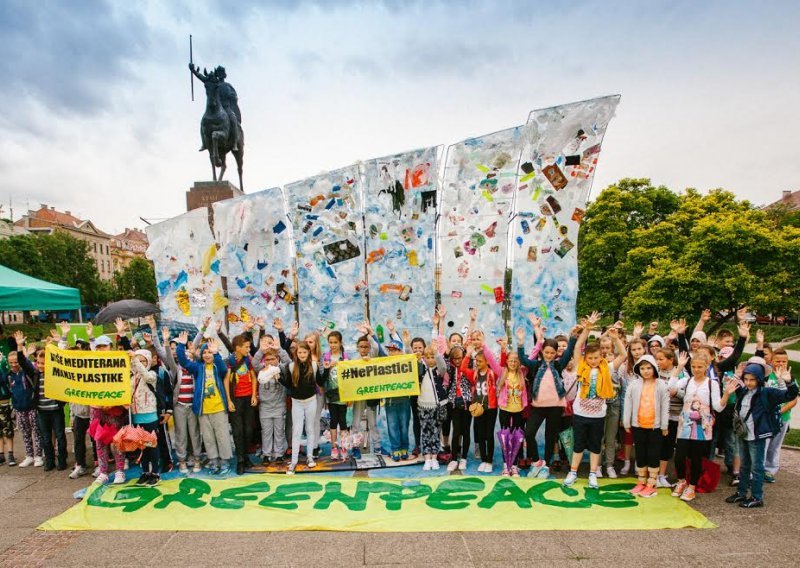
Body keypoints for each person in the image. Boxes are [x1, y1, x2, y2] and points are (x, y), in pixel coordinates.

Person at [564, 313, 627, 489]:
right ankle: (573, 471)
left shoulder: (607, 367)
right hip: (580, 413)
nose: (593, 361)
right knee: (578, 445)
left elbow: (622, 355)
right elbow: (577, 347)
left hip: (598, 415)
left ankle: (593, 473)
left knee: (594, 446)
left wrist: (615, 339)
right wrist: (588, 328)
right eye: (590, 358)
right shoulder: (581, 365)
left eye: (596, 358)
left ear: (601, 357)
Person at [725, 362, 798, 507]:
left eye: (752, 379)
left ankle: (757, 497)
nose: (748, 383)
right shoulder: (743, 390)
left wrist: (788, 382)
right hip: (743, 433)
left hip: (757, 436)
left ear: (759, 379)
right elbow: (728, 385)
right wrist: (737, 375)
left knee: (757, 467)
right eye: (746, 379)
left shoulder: (767, 392)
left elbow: (790, 395)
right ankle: (741, 492)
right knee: (744, 465)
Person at [516, 316, 576, 477]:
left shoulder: (558, 364)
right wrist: (521, 342)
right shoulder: (535, 365)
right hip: (538, 407)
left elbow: (569, 351)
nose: (549, 355)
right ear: (542, 352)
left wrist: (573, 336)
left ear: (556, 353)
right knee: (529, 433)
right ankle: (537, 461)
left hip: (555, 407)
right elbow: (522, 359)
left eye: (552, 352)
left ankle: (546, 465)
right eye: (546, 352)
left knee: (551, 437)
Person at [671, 351, 735, 502]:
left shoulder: (711, 383)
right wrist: (679, 367)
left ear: (706, 366)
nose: (696, 369)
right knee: (679, 456)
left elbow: (718, 407)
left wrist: (726, 394)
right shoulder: (687, 381)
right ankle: (681, 481)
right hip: (685, 423)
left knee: (696, 457)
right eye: (693, 366)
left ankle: (692, 486)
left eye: (700, 366)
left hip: (702, 424)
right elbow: (671, 386)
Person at [175, 333, 233, 475]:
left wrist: (216, 353)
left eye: (209, 352)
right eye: (205, 352)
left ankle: (225, 462)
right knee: (208, 438)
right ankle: (213, 461)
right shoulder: (198, 368)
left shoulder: (217, 366)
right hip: (203, 410)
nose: (207, 355)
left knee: (222, 436)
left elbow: (223, 369)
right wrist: (181, 346)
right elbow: (184, 362)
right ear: (201, 355)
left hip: (219, 408)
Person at [13, 332, 68, 471]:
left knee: (60, 436)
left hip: (56, 409)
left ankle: (62, 460)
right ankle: (49, 461)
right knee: (45, 437)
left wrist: (61, 340)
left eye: (43, 363)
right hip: (42, 410)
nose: (41, 365)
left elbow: (64, 358)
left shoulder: (56, 371)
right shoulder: (35, 373)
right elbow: (23, 363)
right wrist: (19, 346)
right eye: (38, 363)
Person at [623, 354, 670, 497]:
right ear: (638, 369)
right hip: (638, 425)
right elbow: (628, 403)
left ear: (654, 368)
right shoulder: (634, 384)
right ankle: (641, 481)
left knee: (653, 454)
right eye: (642, 368)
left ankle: (652, 483)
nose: (646, 371)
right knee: (640, 454)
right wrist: (626, 422)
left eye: (649, 368)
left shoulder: (662, 385)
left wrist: (664, 425)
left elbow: (665, 405)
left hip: (655, 427)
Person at [279, 342, 328, 474]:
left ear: (308, 353)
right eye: (299, 352)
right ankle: (294, 461)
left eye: (304, 352)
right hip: (297, 403)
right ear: (296, 353)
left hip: (311, 401)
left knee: (310, 429)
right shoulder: (291, 366)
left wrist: (327, 369)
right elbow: (288, 385)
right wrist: (278, 377)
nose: (302, 355)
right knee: (297, 431)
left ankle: (310, 456)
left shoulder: (314, 366)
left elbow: (320, 382)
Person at [225, 334, 258, 475]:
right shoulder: (229, 361)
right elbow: (226, 381)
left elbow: (254, 378)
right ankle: (240, 460)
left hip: (248, 399)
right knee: (237, 431)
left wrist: (254, 394)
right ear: (238, 348)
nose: (249, 349)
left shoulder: (248, 360)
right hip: (236, 400)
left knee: (249, 429)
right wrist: (229, 400)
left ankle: (245, 456)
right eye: (246, 347)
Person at [763, 348, 796, 482]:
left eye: (784, 361)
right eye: (778, 361)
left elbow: (793, 400)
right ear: (771, 361)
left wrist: (779, 411)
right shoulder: (767, 376)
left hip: (782, 418)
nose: (781, 363)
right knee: (763, 444)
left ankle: (770, 470)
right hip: (766, 418)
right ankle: (758, 469)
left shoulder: (790, 377)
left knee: (775, 445)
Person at [130, 349, 161, 486]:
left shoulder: (152, 374)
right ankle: (145, 472)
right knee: (142, 446)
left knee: (151, 445)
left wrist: (135, 360)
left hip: (149, 416)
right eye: (138, 360)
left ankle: (155, 472)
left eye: (143, 360)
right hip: (136, 416)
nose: (139, 364)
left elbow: (147, 376)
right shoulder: (132, 377)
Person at [6, 349, 41, 467]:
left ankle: (38, 455)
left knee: (36, 431)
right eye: (11, 362)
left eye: (15, 362)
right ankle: (29, 455)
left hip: (31, 407)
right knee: (25, 432)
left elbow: (29, 367)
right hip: (19, 408)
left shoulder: (26, 372)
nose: (13, 365)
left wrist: (22, 351)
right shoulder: (9, 375)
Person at [254, 348, 287, 464]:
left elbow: (288, 363)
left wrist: (280, 350)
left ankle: (279, 454)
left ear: (277, 359)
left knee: (279, 431)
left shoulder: (281, 369)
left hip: (279, 405)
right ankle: (266, 454)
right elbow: (254, 363)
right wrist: (261, 351)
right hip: (265, 406)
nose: (270, 362)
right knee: (266, 431)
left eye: (272, 359)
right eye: (267, 359)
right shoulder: (261, 370)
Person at [418, 346, 448, 471]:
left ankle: (434, 457)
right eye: (428, 357)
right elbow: (413, 363)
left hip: (437, 406)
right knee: (425, 432)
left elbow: (443, 367)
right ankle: (427, 458)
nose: (430, 360)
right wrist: (409, 347)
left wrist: (436, 354)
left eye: (432, 357)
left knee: (436, 432)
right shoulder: (422, 369)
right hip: (423, 406)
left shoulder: (438, 371)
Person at [322, 331, 351, 460]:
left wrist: (350, 396)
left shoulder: (345, 356)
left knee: (343, 421)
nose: (333, 345)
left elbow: (350, 377)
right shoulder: (326, 356)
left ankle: (344, 447)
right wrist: (328, 367)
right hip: (331, 394)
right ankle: (334, 448)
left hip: (343, 393)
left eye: (335, 342)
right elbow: (322, 376)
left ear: (340, 343)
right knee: (333, 421)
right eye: (331, 342)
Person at [445, 346, 474, 471]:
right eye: (455, 359)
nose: (457, 361)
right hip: (454, 403)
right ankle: (453, 458)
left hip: (467, 402)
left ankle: (464, 458)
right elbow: (442, 359)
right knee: (456, 431)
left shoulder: (469, 365)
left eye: (460, 358)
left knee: (466, 431)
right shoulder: (449, 368)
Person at [383, 339, 413, 461]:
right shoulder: (383, 364)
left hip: (405, 399)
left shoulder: (406, 363)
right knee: (392, 426)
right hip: (390, 401)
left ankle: (404, 447)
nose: (391, 352)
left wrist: (407, 344)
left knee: (404, 426)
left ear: (401, 352)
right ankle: (395, 449)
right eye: (390, 350)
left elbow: (413, 360)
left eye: (394, 350)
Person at [0, 353, 15, 466]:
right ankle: (1, 454)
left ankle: (10, 454)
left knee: (7, 428)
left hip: (3, 399)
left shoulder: (2, 359)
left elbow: (4, 378)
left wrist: (1, 364)